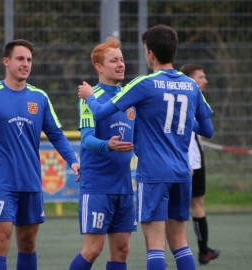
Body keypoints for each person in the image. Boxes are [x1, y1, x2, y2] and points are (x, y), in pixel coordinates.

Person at [78, 25, 214, 270]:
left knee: (155, 246)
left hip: (153, 174)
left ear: (150, 53)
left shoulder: (143, 84)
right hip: (182, 173)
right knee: (181, 244)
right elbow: (207, 130)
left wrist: (88, 95)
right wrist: (178, 123)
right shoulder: (191, 85)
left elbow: (98, 112)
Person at [0, 39, 80, 270]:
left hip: (31, 182)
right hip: (0, 183)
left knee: (28, 242)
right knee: (0, 241)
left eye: (29, 60)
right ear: (6, 61)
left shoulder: (40, 98)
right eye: (20, 59)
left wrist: (73, 161)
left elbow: (55, 134)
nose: (26, 64)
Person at [69, 37, 137, 270]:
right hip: (98, 185)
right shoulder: (90, 97)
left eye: (122, 59)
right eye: (114, 60)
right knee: (93, 250)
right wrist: (109, 145)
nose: (121, 64)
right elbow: (87, 140)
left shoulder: (130, 97)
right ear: (98, 67)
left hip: (124, 186)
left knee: (122, 250)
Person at [179, 63, 221, 265]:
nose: (205, 81)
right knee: (192, 206)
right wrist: (188, 162)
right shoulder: (189, 96)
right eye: (200, 77)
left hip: (193, 159)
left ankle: (200, 250)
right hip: (190, 161)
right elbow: (183, 134)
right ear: (190, 79)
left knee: (194, 205)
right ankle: (199, 251)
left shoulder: (193, 97)